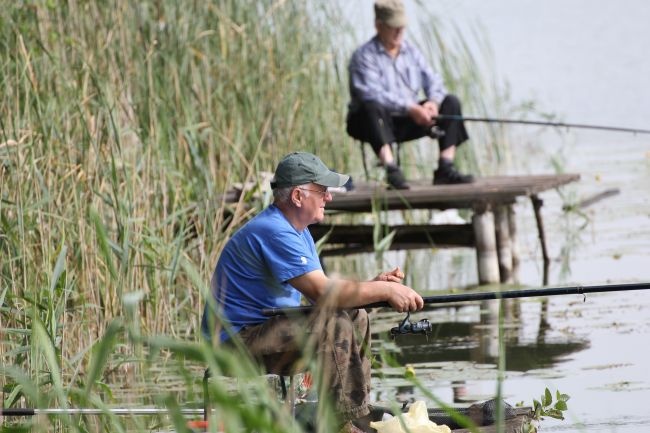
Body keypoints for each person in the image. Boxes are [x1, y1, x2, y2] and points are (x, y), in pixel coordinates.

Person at [201, 151, 424, 433]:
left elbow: (324, 293)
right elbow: (324, 293)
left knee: (354, 315)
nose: (329, 197)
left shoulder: (298, 231)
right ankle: (341, 426)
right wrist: (381, 289)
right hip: (234, 344)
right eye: (322, 191)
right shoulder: (274, 230)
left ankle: (354, 415)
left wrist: (374, 285)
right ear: (297, 196)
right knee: (336, 324)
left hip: (264, 330)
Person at [346, 0, 474, 189]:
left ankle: (445, 168)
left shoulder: (411, 52)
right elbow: (371, 93)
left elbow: (434, 80)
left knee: (451, 102)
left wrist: (433, 103)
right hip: (372, 122)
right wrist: (410, 108)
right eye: (393, 27)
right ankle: (391, 170)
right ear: (378, 26)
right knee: (371, 106)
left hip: (409, 120)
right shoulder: (363, 56)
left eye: (402, 27)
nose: (399, 32)